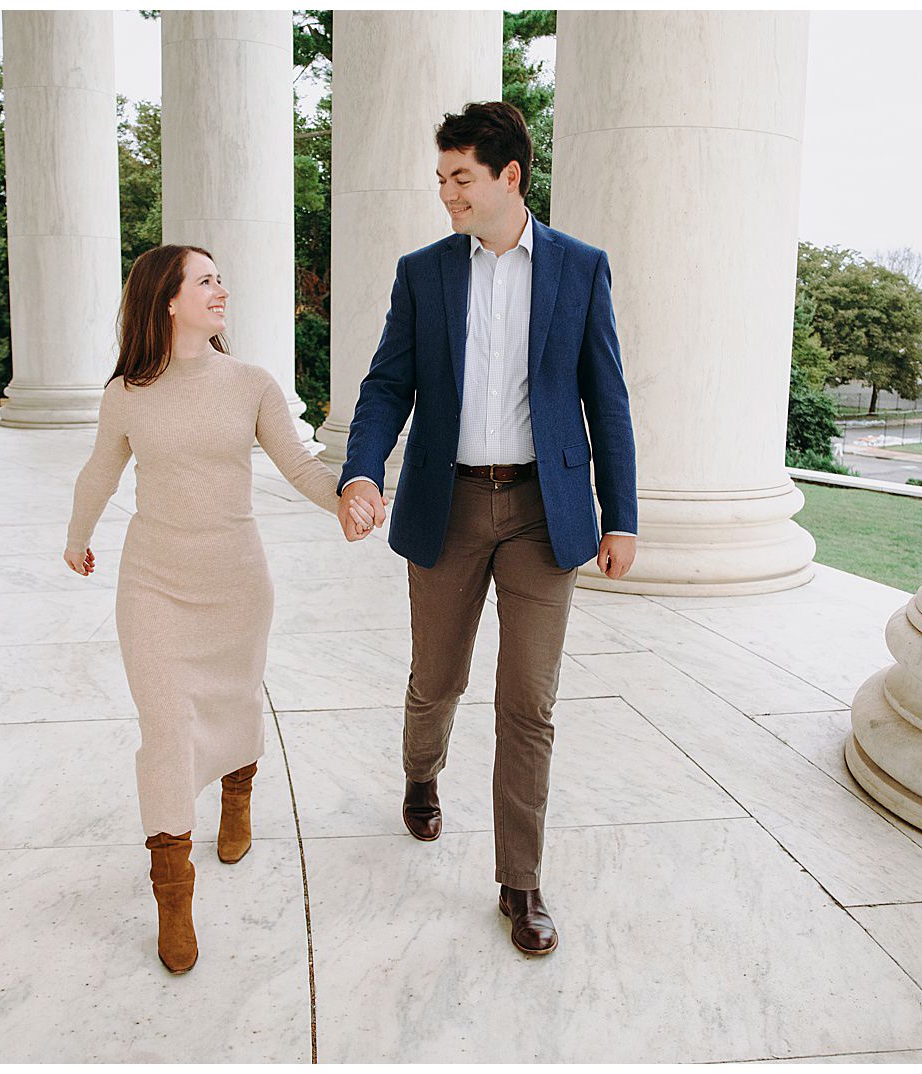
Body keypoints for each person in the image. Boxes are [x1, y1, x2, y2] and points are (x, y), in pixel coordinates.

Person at [336, 101, 638, 956]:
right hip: (450, 504)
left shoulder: (581, 269)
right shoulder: (424, 272)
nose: (446, 195)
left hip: (546, 513)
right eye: (440, 179)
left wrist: (624, 516)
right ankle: (421, 776)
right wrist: (363, 470)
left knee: (529, 704)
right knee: (437, 679)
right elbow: (386, 385)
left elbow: (604, 397)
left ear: (509, 177)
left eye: (459, 178)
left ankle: (521, 882)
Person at [64, 245, 377, 974]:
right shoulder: (128, 393)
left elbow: (298, 462)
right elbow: (100, 471)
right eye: (206, 281)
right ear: (168, 300)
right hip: (153, 581)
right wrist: (76, 537)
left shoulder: (251, 383)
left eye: (219, 279)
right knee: (167, 729)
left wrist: (343, 500)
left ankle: (238, 795)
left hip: (236, 579)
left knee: (234, 702)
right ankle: (175, 901)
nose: (221, 290)